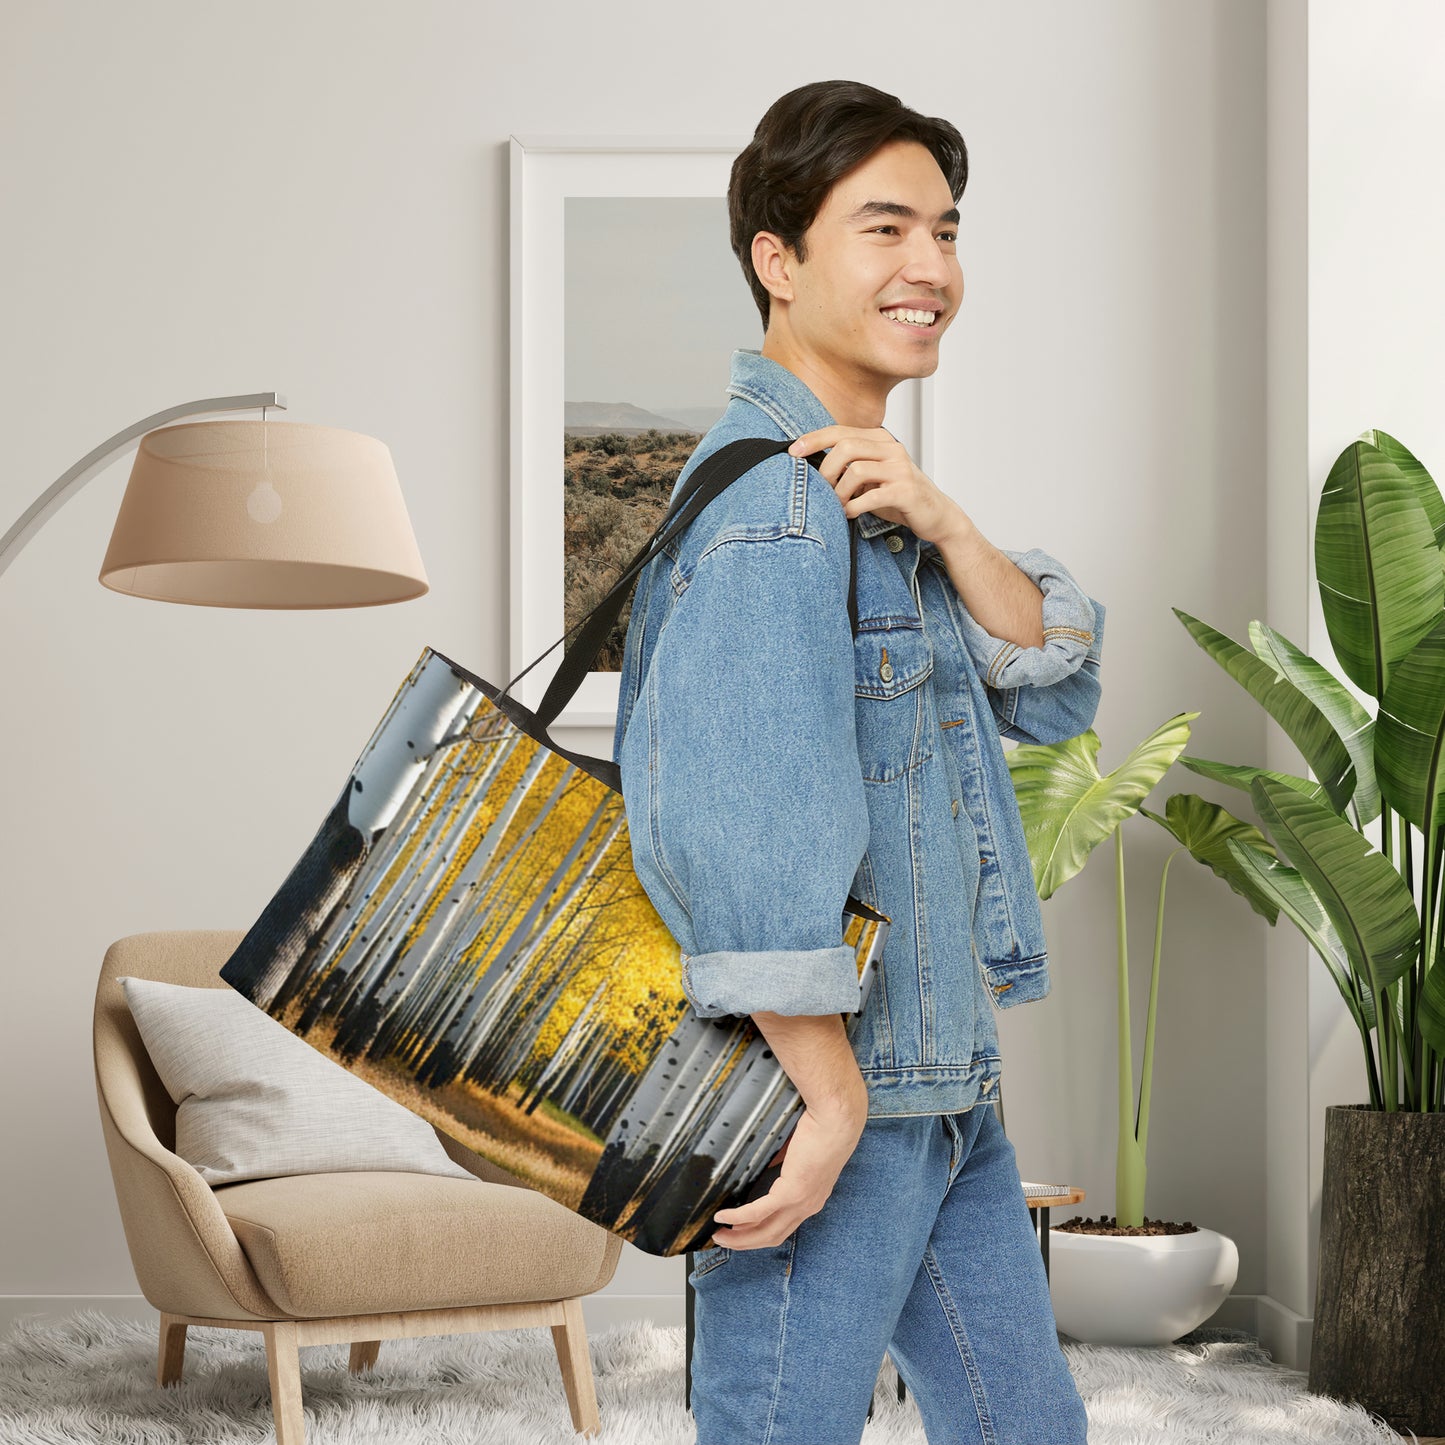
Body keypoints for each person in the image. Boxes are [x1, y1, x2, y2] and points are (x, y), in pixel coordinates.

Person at [612, 79, 1102, 1445]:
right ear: (775, 261)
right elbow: (750, 824)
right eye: (883, 229)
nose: (930, 268)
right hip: (839, 1097)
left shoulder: (864, 491)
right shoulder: (774, 504)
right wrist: (825, 1097)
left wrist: (947, 522)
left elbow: (1055, 688)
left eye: (944, 231)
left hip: (942, 1085)